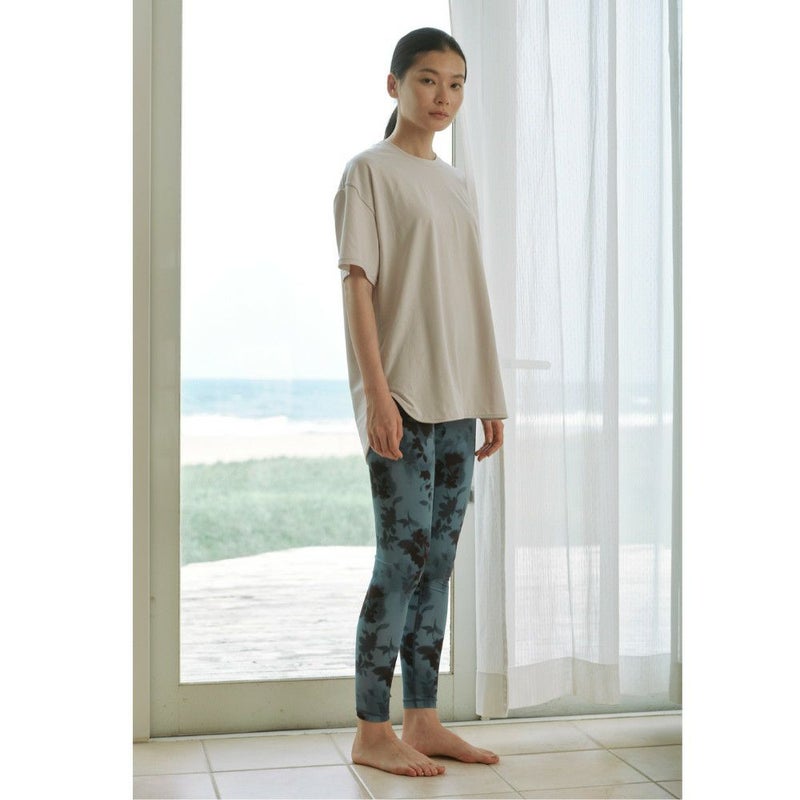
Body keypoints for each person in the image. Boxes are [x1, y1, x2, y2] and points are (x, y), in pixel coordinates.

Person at [333, 27, 507, 778]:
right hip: (400, 394)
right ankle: (372, 731)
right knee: (399, 560)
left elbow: (468, 295)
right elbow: (358, 287)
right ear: (395, 85)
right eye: (429, 80)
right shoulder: (367, 173)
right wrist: (376, 396)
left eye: (456, 84)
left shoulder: (458, 183)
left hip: (459, 395)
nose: (444, 96)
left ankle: (424, 720)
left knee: (438, 562)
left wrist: (489, 393)